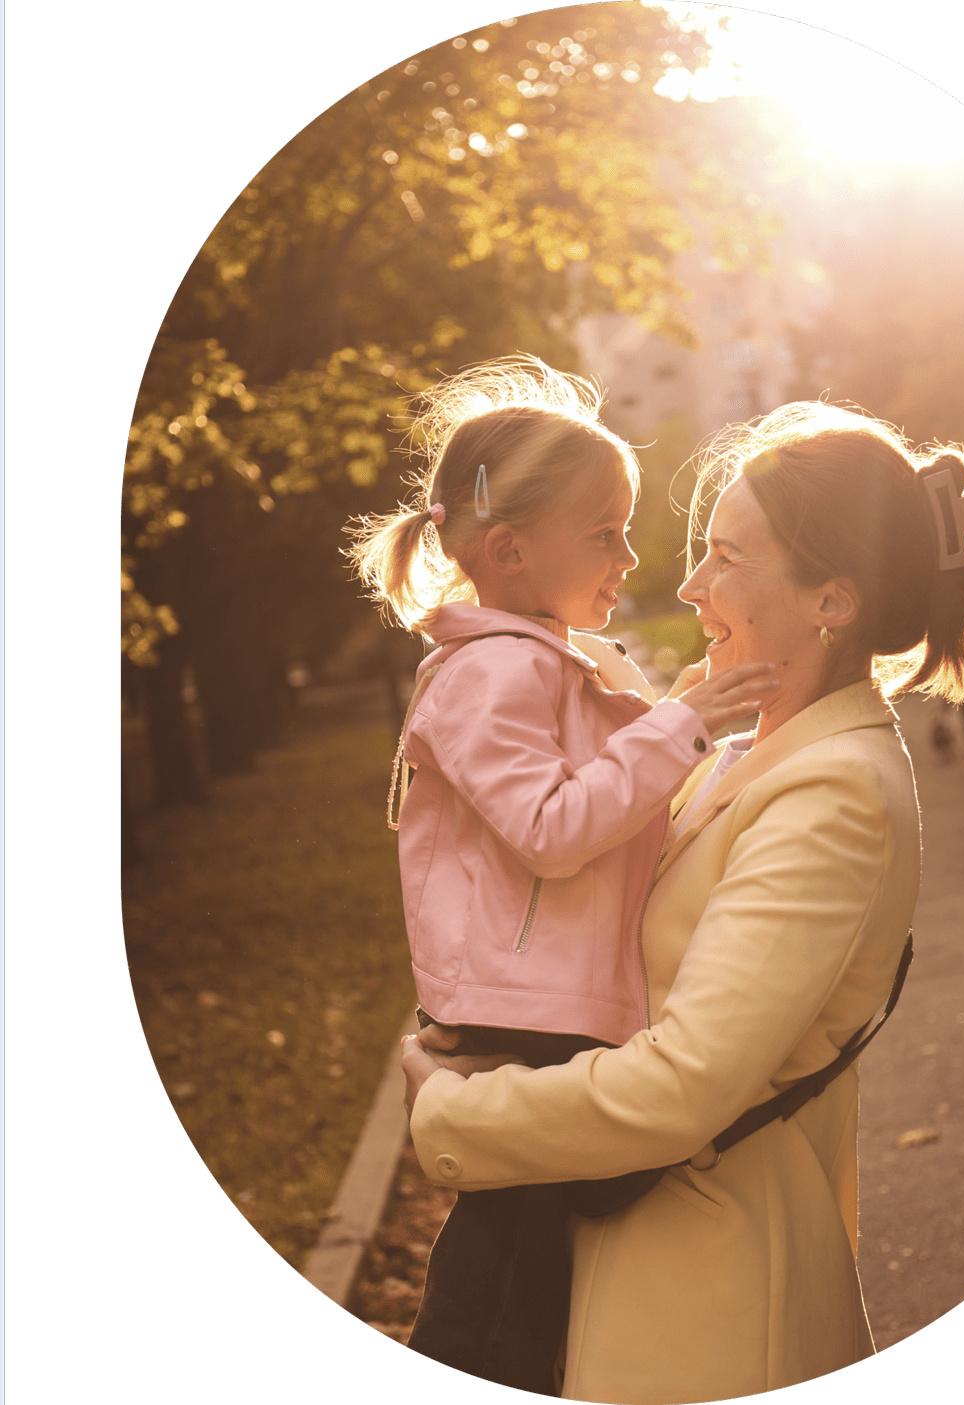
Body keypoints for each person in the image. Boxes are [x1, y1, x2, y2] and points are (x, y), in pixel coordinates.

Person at [401, 400, 964, 1404]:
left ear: (831, 602)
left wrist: (452, 1111)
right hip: (639, 1268)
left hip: (713, 1309)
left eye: (723, 557)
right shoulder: (744, 752)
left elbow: (681, 1087)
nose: (686, 583)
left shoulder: (834, 791)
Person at [346, 355, 778, 1392]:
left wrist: (675, 716)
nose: (630, 555)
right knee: (501, 1295)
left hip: (553, 1006)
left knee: (540, 1268)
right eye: (606, 533)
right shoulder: (490, 673)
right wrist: (679, 723)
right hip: (519, 1015)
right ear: (507, 547)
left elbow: (617, 808)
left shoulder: (543, 658)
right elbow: (549, 827)